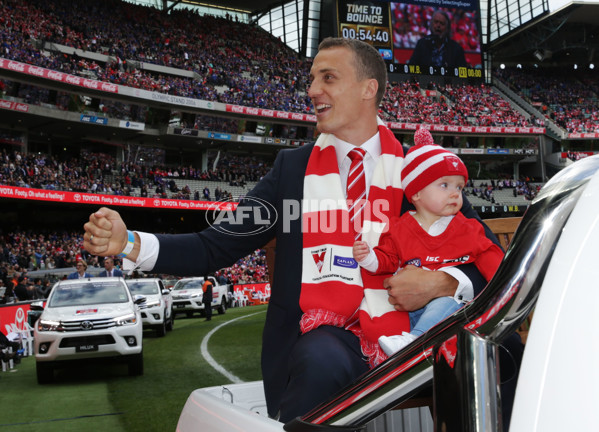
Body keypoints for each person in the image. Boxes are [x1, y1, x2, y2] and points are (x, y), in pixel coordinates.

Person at [83, 37, 520, 424]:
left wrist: (442, 282)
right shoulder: (293, 172)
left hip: (416, 327)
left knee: (509, 351)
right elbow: (214, 246)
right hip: (329, 332)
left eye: (328, 78)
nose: (312, 90)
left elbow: (486, 256)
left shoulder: (421, 170)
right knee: (321, 361)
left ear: (369, 90)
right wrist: (130, 243)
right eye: (312, 79)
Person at [353, 128, 505, 355]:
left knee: (447, 302)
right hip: (407, 308)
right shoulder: (400, 227)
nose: (455, 193)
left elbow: (493, 259)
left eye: (459, 187)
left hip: (451, 307)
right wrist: (369, 258)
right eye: (445, 185)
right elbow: (388, 258)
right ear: (416, 194)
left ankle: (413, 344)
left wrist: (503, 289)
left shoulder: (466, 227)